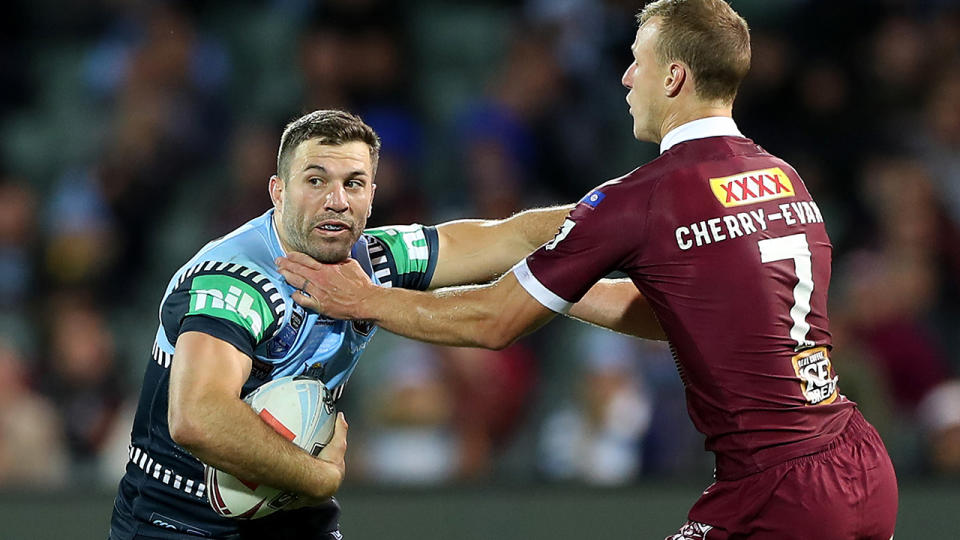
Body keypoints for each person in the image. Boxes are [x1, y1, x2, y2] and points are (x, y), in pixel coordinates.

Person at [277, 2, 900, 538]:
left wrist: (364, 300)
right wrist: (564, 284)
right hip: (859, 462)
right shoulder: (783, 178)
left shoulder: (643, 198)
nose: (627, 78)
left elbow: (495, 322)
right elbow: (692, 317)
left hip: (778, 490)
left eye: (639, 61)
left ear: (675, 76)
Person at [108, 109, 636, 540]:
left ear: (372, 194)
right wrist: (318, 475)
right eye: (316, 181)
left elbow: (511, 237)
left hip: (291, 518)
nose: (337, 200)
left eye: (353, 183)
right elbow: (197, 418)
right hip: (177, 523)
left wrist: (633, 215)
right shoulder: (235, 282)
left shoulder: (375, 260)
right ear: (277, 191)